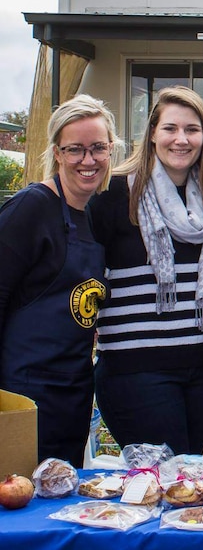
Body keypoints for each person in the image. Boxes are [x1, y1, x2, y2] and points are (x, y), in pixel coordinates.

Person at [89, 86, 203, 455]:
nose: (181, 139)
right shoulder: (113, 194)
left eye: (192, 129)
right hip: (136, 371)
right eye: (170, 128)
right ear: (152, 132)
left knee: (187, 477)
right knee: (161, 480)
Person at [0, 94, 119, 467]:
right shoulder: (31, 208)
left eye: (98, 148)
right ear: (57, 153)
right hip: (24, 392)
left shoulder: (95, 213)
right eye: (75, 150)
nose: (88, 160)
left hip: (74, 389)